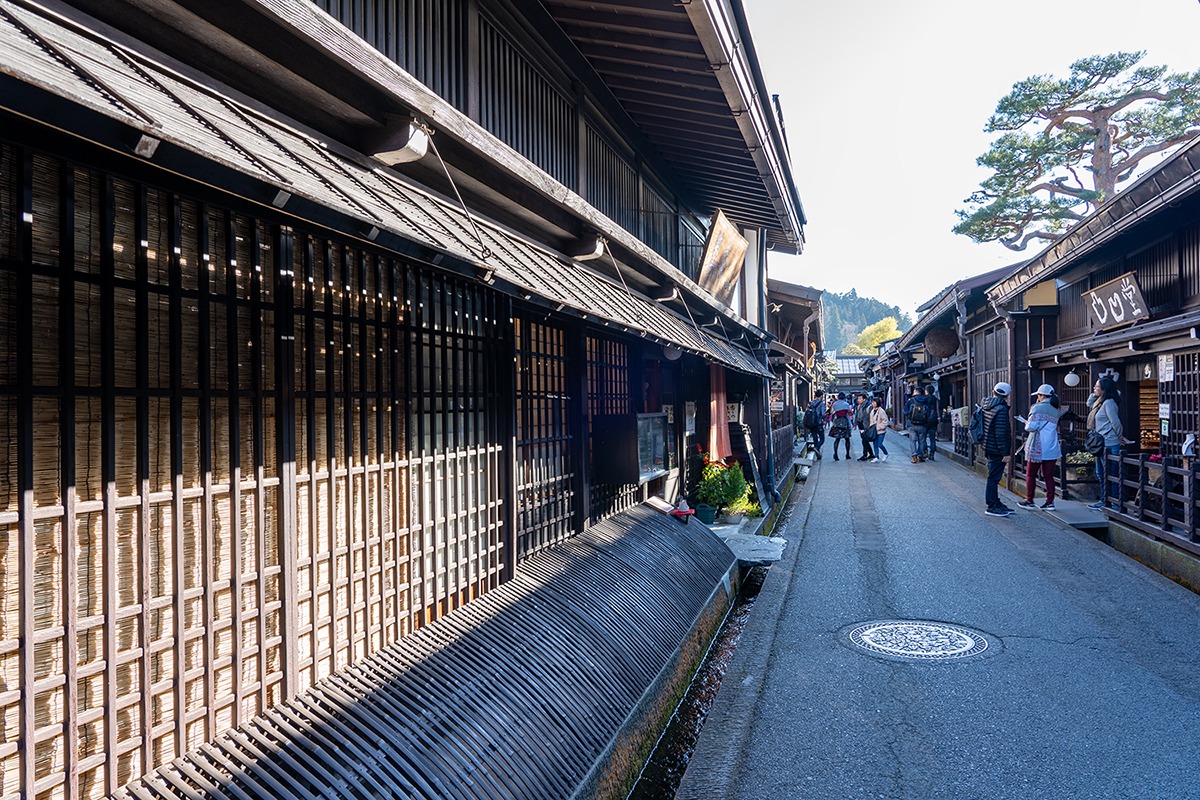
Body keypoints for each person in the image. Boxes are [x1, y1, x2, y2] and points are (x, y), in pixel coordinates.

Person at [1017, 383, 1062, 510]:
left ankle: (1029, 500)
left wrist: (1026, 422)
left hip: (1037, 446)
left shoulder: (1036, 408)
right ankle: (1050, 502)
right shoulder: (1056, 409)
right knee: (1048, 476)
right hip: (1051, 446)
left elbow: (1030, 427)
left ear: (1041, 395)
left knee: (1030, 473)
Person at [1086, 376, 1125, 510]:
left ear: (1104, 389)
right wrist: (1095, 392)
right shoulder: (1099, 402)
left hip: (1109, 442)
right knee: (1101, 473)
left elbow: (1116, 423)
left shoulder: (1109, 403)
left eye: (1097, 386)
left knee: (1111, 474)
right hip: (1100, 444)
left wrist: (1119, 437)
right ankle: (1104, 500)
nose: (1094, 388)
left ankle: (1114, 502)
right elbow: (1088, 403)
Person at [981, 381, 1014, 517]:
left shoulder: (987, 405)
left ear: (993, 391)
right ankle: (992, 505)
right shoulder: (1001, 409)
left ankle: (995, 502)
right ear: (1006, 395)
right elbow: (1001, 433)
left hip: (988, 445)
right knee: (993, 478)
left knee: (993, 477)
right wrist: (1005, 452)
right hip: (997, 448)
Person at [906, 386, 935, 463]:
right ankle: (920, 455)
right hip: (923, 424)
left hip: (912, 424)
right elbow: (928, 412)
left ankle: (914, 456)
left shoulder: (911, 400)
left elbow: (905, 411)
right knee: (921, 441)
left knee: (912, 441)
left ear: (915, 391)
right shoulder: (926, 400)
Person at [828, 392, 854, 461]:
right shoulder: (846, 404)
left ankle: (835, 454)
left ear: (838, 397)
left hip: (837, 422)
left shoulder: (835, 404)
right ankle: (847, 454)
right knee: (847, 439)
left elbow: (831, 412)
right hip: (845, 422)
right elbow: (850, 413)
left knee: (837, 439)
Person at [803, 390, 826, 460]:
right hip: (818, 423)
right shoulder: (821, 404)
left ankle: (818, 455)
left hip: (811, 424)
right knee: (822, 438)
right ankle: (817, 448)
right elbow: (822, 414)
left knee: (815, 439)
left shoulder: (811, 403)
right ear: (821, 396)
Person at [854, 393, 875, 461]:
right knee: (864, 440)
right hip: (861, 425)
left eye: (860, 399)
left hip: (866, 425)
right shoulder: (858, 406)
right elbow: (857, 415)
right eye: (858, 398)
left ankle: (865, 455)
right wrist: (855, 424)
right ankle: (871, 454)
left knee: (864, 440)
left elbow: (872, 416)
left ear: (864, 399)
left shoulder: (868, 406)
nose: (859, 400)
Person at [869, 396, 890, 462]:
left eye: (874, 402)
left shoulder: (881, 411)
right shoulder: (872, 411)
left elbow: (885, 421)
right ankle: (876, 456)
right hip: (874, 431)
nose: (872, 403)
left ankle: (885, 453)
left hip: (880, 431)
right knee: (875, 444)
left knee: (879, 444)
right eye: (872, 402)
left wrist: (879, 427)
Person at [923, 385, 940, 461]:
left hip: (925, 420)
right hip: (934, 420)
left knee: (923, 437)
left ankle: (925, 451)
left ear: (926, 391)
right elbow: (939, 409)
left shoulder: (924, 399)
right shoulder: (936, 400)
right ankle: (932, 454)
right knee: (932, 438)